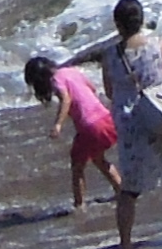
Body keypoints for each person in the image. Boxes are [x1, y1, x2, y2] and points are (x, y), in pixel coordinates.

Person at [77, 0, 162, 249]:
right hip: (160, 112)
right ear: (142, 20)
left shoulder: (110, 55)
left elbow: (110, 91)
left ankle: (125, 241)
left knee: (129, 187)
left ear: (118, 24)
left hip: (129, 120)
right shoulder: (158, 45)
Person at [24, 51, 118, 211]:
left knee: (77, 166)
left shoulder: (55, 80)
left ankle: (79, 205)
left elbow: (65, 99)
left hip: (90, 126)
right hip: (107, 119)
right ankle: (121, 189)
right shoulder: (72, 71)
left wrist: (58, 124)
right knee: (98, 159)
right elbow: (92, 88)